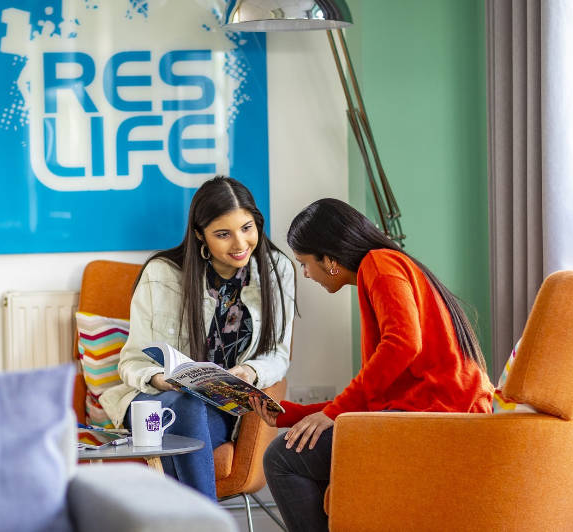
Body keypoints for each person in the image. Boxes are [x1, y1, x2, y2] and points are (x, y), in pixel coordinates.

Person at [249, 198, 493, 531]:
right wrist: (290, 414)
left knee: (282, 458)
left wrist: (332, 414)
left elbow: (403, 344)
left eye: (304, 263)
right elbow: (378, 400)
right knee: (294, 449)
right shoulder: (384, 267)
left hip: (441, 422)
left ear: (330, 260)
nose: (305, 274)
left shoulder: (379, 264)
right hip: (433, 416)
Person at [99, 176, 295, 501]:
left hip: (220, 412)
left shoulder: (276, 271)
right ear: (199, 235)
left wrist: (249, 372)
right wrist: (163, 380)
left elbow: (278, 354)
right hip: (154, 403)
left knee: (191, 412)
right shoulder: (162, 273)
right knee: (188, 401)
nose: (240, 244)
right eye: (223, 234)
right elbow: (132, 362)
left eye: (247, 228)